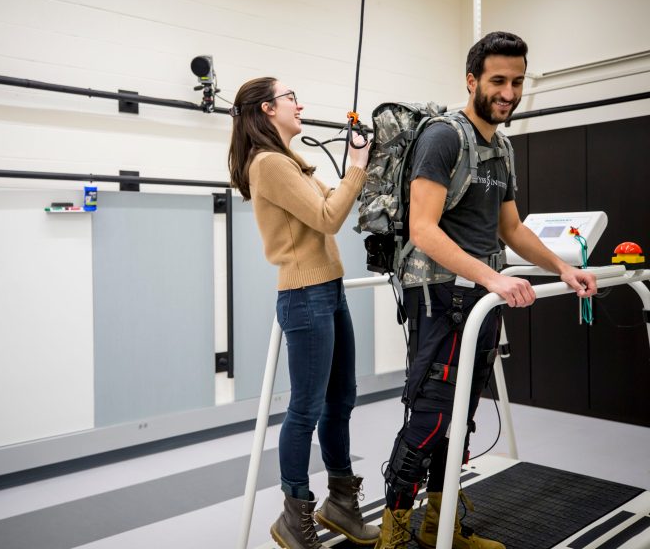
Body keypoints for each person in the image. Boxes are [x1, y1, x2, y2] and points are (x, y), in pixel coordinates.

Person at [375, 32, 598, 549]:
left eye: (517, 81)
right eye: (498, 80)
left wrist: (563, 269)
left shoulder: (501, 147)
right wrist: (493, 276)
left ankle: (439, 525)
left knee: (461, 419)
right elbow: (424, 229)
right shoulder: (442, 137)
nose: (509, 91)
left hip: (480, 297)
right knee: (429, 417)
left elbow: (513, 230)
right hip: (439, 296)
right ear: (471, 80)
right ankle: (393, 531)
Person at [228, 77, 379, 549]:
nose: (301, 105)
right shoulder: (269, 163)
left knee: (342, 401)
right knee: (306, 410)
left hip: (328, 291)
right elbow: (329, 218)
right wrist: (355, 165)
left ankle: (340, 502)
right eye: (292, 97)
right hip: (305, 295)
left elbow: (330, 204)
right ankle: (294, 515)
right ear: (268, 108)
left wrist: (363, 165)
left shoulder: (292, 162)